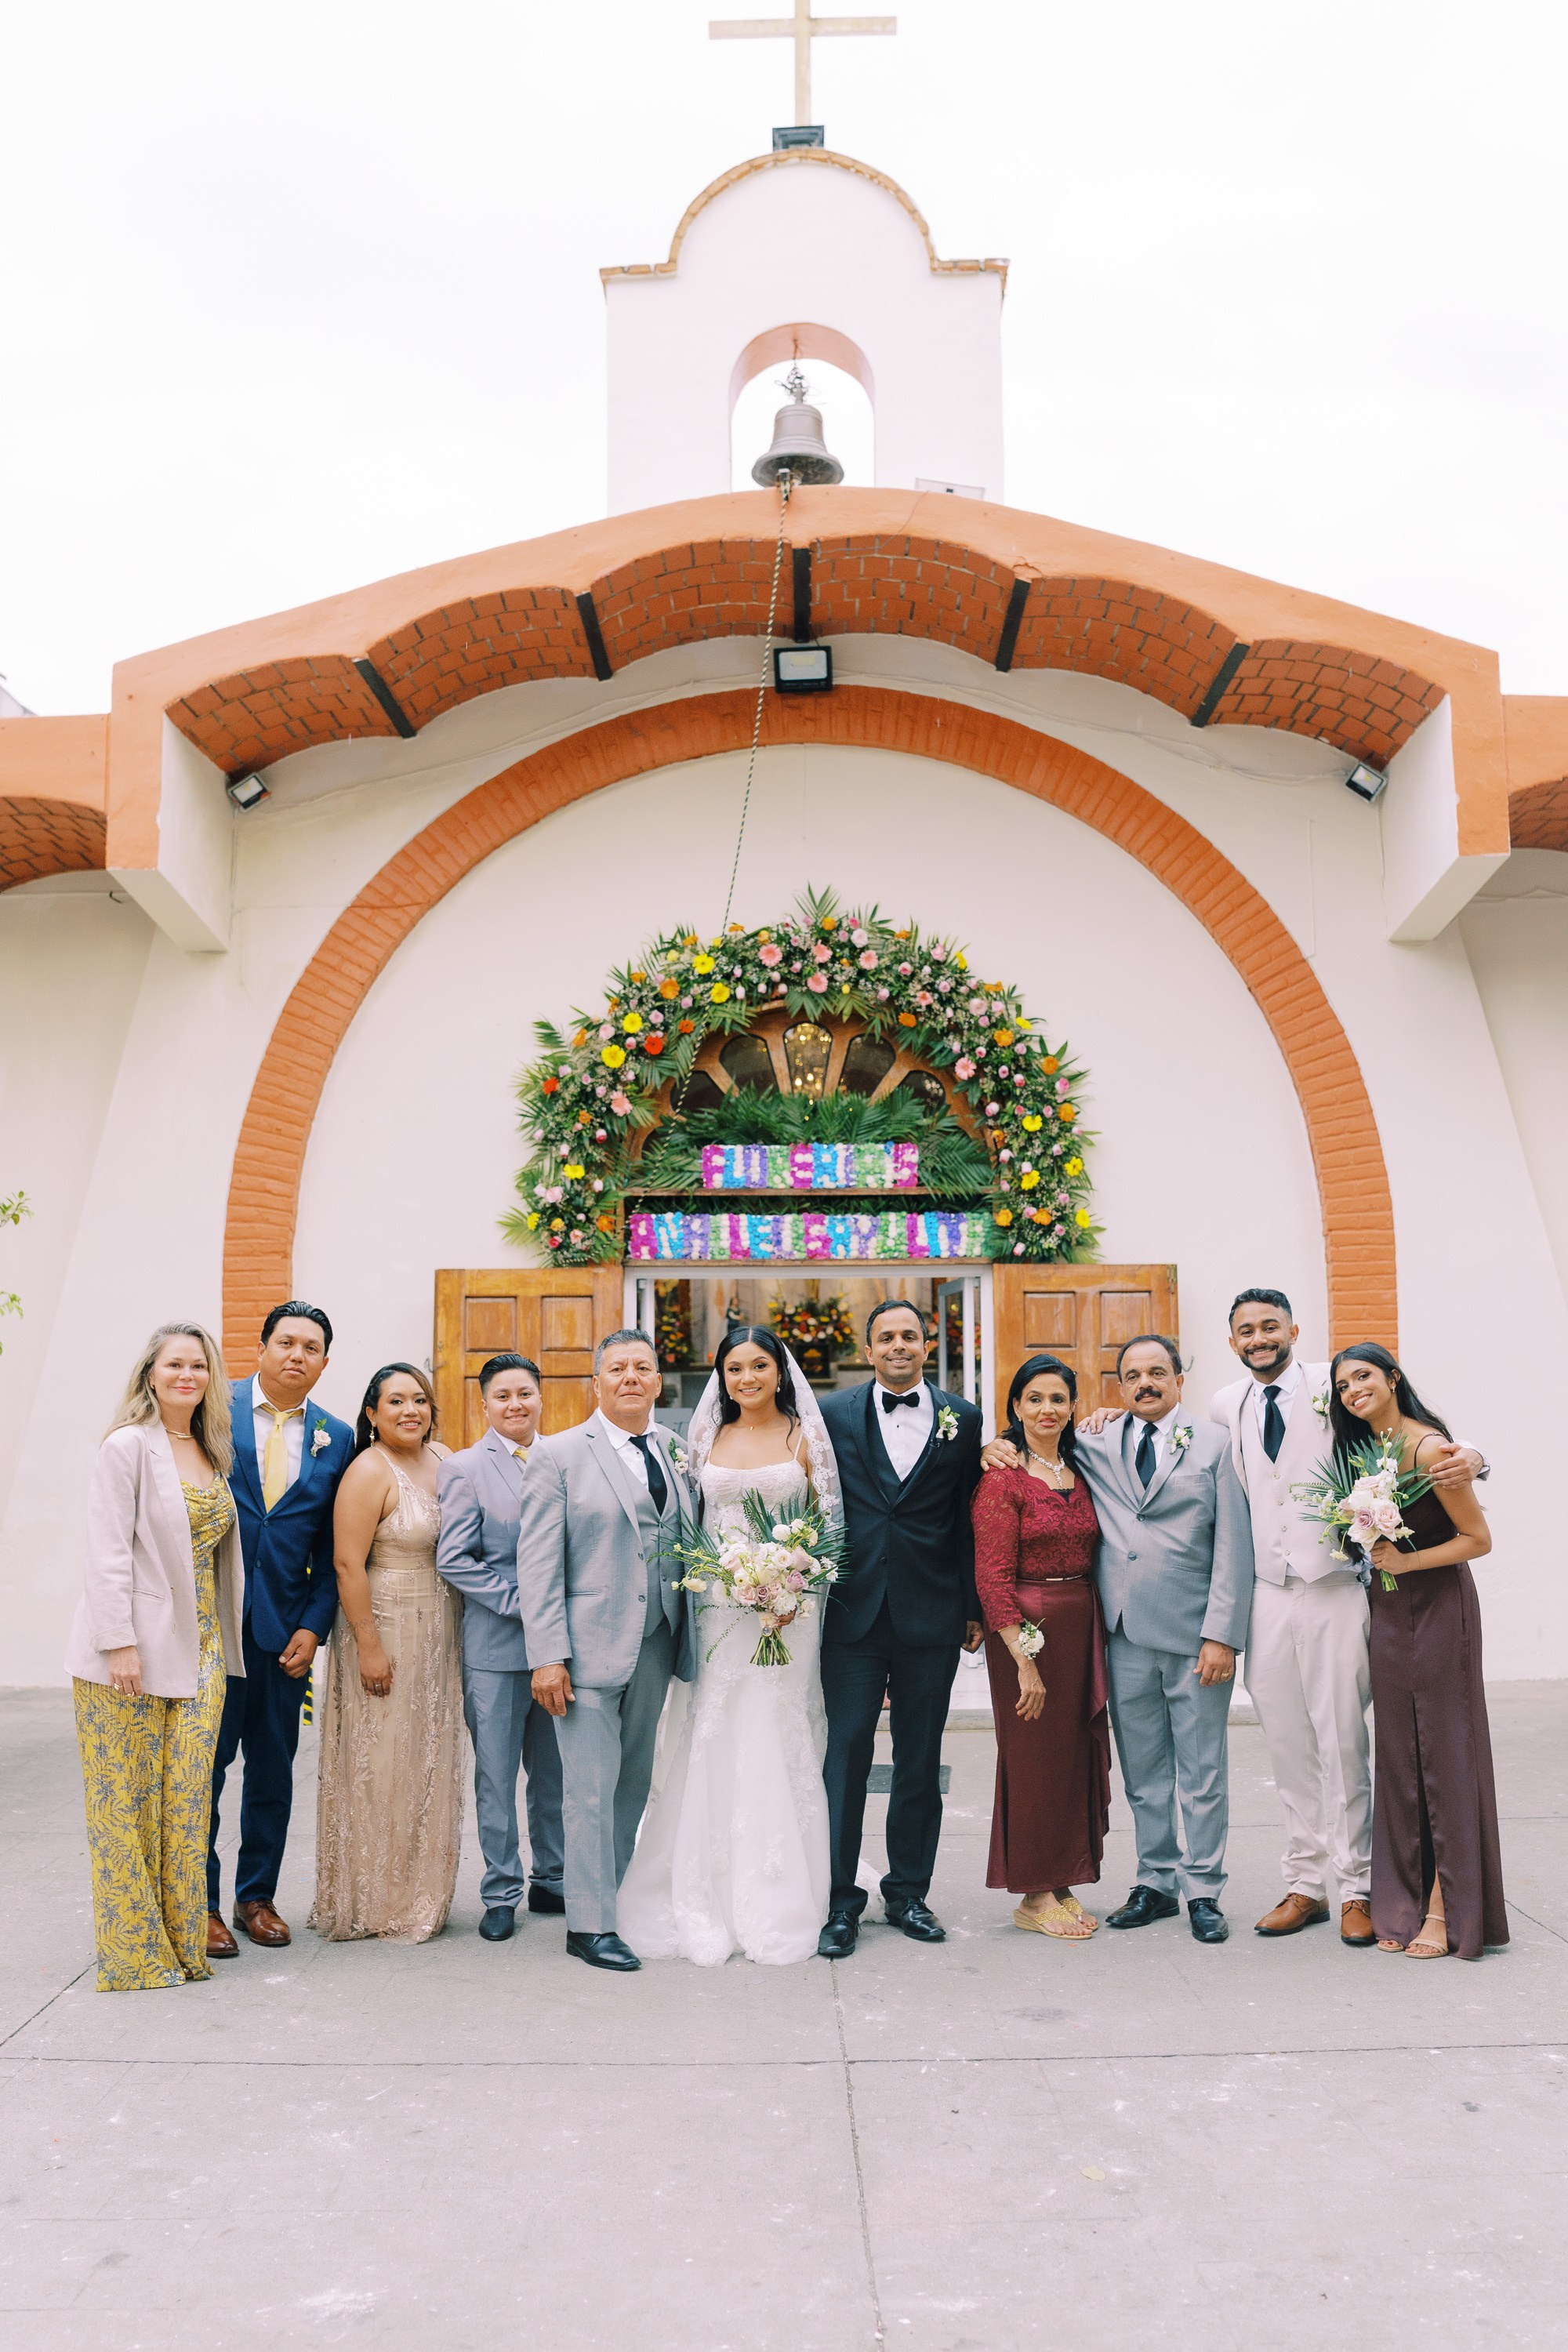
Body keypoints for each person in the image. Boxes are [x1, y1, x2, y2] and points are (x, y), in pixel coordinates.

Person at [1210, 1290, 1486, 1949]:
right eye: (1246, 1331)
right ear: (1233, 1342)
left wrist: (1472, 1454)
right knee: (1287, 1742)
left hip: (1335, 1586)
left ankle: (1357, 1887)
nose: (1260, 1339)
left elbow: (1408, 1426)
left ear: (1293, 1330)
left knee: (1342, 1740)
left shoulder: (1332, 1386)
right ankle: (1304, 1883)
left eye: (1270, 1327)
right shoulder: (1227, 1404)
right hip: (1267, 1594)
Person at [984, 1334, 1253, 1942]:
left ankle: (1204, 1887)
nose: (1146, 1384)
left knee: (1202, 1770)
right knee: (1144, 1769)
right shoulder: (1095, 1442)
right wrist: (994, 1447)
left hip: (1195, 1639)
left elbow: (1234, 1546)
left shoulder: (1215, 1445)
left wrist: (1223, 1636)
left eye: (1158, 1372)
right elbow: (1035, 1437)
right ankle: (1157, 1879)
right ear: (1119, 1386)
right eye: (1133, 1375)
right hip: (1121, 1635)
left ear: (1180, 1378)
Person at [619, 1327, 841, 1965]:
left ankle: (781, 1887)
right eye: (735, 1367)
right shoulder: (704, 1438)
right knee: (709, 1732)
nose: (747, 1378)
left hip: (786, 1615)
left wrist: (794, 1582)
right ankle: (701, 1881)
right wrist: (724, 1577)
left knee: (777, 1730)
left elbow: (828, 1527)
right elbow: (689, 1523)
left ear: (781, 1372)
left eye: (759, 1366)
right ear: (722, 1375)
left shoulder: (804, 1439)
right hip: (717, 1611)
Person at [67, 1324, 244, 1991]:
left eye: (199, 1364)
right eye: (175, 1363)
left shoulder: (211, 1448)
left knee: (187, 1800)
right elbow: (106, 1548)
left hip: (201, 1647)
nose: (187, 1375)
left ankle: (180, 1940)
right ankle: (137, 1955)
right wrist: (119, 1644)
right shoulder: (127, 1447)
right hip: (129, 1651)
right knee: (127, 1803)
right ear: (151, 1372)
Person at [517, 1329, 698, 1973]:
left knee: (633, 1782)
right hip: (585, 1649)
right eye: (616, 1368)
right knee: (588, 1790)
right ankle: (587, 1926)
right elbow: (537, 1565)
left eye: (642, 1368)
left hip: (657, 1640)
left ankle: (610, 1901)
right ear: (596, 1383)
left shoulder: (677, 1452)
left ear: (657, 1382)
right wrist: (547, 1655)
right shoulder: (560, 1455)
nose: (630, 1377)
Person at [815, 1300, 984, 1958]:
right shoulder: (830, 1415)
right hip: (851, 1613)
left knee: (918, 1758)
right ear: (868, 1347)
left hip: (932, 1612)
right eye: (886, 1337)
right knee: (847, 1755)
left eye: (909, 1335)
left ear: (926, 1342)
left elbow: (968, 1516)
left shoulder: (963, 1420)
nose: (898, 1346)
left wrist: (971, 1605)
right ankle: (839, 1899)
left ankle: (909, 1891)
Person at [1330, 1343, 1505, 1961]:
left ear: (1393, 1378)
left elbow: (1478, 1540)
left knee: (1445, 1753)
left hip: (1437, 1608)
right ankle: (1400, 1900)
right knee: (1401, 1753)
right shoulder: (1358, 1454)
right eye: (1344, 1384)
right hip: (1388, 1608)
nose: (1354, 1389)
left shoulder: (1431, 1449)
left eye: (1364, 1376)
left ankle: (1445, 1908)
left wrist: (1407, 1561)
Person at [206, 1300, 353, 1960]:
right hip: (211, 1627)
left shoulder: (337, 1436)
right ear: (262, 1347)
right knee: (201, 1771)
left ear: (324, 1362)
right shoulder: (213, 1407)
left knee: (273, 1771)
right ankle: (198, 1902)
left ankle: (255, 1898)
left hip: (283, 1635)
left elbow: (334, 1544)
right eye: (286, 1342)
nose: (297, 1355)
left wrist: (315, 1626)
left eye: (311, 1347)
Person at [309, 1363, 464, 1942]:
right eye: (395, 1401)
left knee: (426, 1756)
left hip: (439, 1627)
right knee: (382, 1762)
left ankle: (421, 1891)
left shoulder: (446, 1459)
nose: (410, 1411)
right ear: (372, 1414)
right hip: (385, 1625)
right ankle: (374, 1898)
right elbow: (348, 1563)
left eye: (419, 1400)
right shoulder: (368, 1470)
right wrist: (368, 1646)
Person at [971, 1353, 1109, 1940]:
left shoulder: (1084, 1468)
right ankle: (1032, 1891)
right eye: (1035, 1399)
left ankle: (1061, 1880)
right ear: (1016, 1409)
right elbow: (992, 1575)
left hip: (1082, 1625)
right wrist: (1022, 1661)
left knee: (1071, 1758)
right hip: (1027, 1629)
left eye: (1058, 1398)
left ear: (1072, 1406)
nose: (1047, 1409)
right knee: (1032, 1762)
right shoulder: (1003, 1479)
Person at [435, 1352, 565, 1942]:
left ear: (541, 1398)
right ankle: (500, 1891)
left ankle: (553, 1878)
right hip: (497, 1646)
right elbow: (454, 1559)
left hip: (561, 1647)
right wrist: (525, 1603)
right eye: (503, 1396)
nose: (516, 1405)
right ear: (484, 1405)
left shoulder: (565, 1458)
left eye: (525, 1394)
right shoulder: (464, 1468)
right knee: (496, 1775)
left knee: (554, 1771)